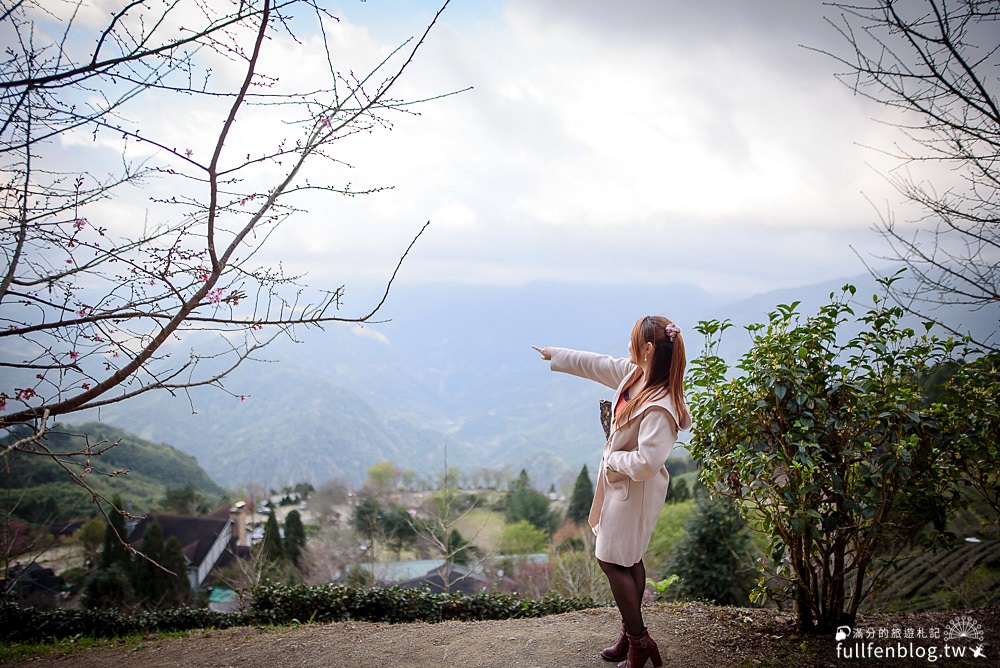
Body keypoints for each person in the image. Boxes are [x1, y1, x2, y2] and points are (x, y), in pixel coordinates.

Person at [532, 315, 691, 668]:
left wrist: (614, 460)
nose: (628, 345)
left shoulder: (660, 406)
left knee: (610, 558)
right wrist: (554, 354)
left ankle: (639, 642)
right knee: (629, 558)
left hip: (636, 492)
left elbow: (649, 463)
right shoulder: (636, 375)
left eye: (633, 340)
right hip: (622, 486)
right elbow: (597, 364)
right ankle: (631, 632)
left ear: (648, 349)